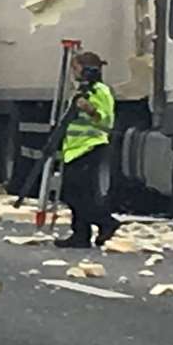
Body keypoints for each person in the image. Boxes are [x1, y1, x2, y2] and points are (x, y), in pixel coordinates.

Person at [56, 52, 121, 249]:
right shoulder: (82, 90)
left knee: (77, 195)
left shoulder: (100, 91)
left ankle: (106, 222)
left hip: (90, 147)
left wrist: (90, 110)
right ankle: (81, 235)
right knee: (77, 194)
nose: (74, 73)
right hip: (75, 149)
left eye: (75, 68)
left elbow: (107, 120)